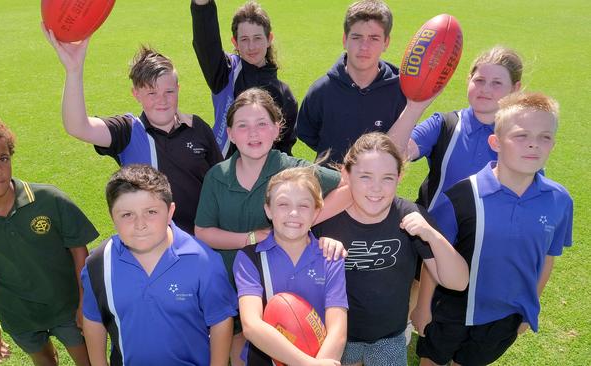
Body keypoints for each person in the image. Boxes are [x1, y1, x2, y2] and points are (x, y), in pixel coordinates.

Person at [413, 92, 573, 366]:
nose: (533, 145)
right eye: (521, 136)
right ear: (495, 142)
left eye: (544, 137)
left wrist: (529, 308)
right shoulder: (462, 196)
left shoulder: (560, 201)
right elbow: (435, 255)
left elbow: (547, 258)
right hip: (450, 308)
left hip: (504, 316)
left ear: (553, 145)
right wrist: (423, 306)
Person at [195, 88, 349, 365]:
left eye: (261, 124)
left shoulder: (292, 170)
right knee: (239, 344)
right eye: (242, 126)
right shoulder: (217, 176)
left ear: (277, 129)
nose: (253, 134)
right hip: (233, 278)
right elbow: (203, 232)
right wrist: (251, 237)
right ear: (229, 132)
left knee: (287, 334)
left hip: (280, 281)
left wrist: (300, 222)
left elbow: (348, 189)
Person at [0, 113, 99, 366]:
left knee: (88, 361)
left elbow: (79, 252)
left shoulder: (50, 199)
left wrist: (84, 303)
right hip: (19, 316)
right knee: (45, 362)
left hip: (68, 307)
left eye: (3, 158)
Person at [43, 27, 222, 235]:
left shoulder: (197, 128)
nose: (162, 100)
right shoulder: (127, 131)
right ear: (136, 94)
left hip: (202, 240)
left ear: (178, 89)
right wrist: (74, 70)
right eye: (151, 93)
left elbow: (220, 182)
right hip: (152, 245)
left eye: (169, 91)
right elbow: (77, 126)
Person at [312, 132, 468, 366]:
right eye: (365, 176)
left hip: (388, 336)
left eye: (387, 178)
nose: (376, 188)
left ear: (400, 176)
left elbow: (458, 282)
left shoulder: (408, 216)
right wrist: (316, 247)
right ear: (346, 174)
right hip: (335, 334)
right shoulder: (326, 217)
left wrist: (432, 236)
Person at [80, 164, 237, 365]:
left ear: (170, 211)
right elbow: (94, 319)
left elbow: (220, 321)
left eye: (151, 212)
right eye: (127, 215)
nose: (140, 224)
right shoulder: (99, 263)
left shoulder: (202, 260)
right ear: (112, 216)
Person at [234, 167, 348, 365]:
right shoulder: (249, 258)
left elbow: (338, 330)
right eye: (283, 204)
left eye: (304, 206)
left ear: (316, 211)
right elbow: (251, 325)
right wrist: (306, 364)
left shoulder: (330, 257)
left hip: (321, 358)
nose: (293, 213)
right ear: (268, 210)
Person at [296, 0, 431, 164]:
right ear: (345, 39)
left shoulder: (401, 92)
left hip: (377, 187)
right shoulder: (322, 89)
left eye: (374, 38)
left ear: (386, 42)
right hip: (330, 184)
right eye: (356, 37)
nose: (364, 46)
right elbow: (307, 133)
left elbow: (403, 141)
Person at [388, 46, 523, 210]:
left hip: (486, 235)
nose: (485, 89)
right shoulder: (445, 124)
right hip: (431, 231)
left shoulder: (522, 138)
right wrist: (414, 107)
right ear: (469, 79)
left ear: (515, 88)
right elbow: (389, 155)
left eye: (497, 83)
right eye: (479, 80)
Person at [191, 0, 297, 157]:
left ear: (269, 39)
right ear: (235, 42)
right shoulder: (225, 73)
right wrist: (202, 5)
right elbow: (206, 44)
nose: (251, 46)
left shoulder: (284, 94)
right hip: (227, 174)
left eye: (257, 38)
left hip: (265, 177)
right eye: (244, 39)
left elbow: (284, 149)